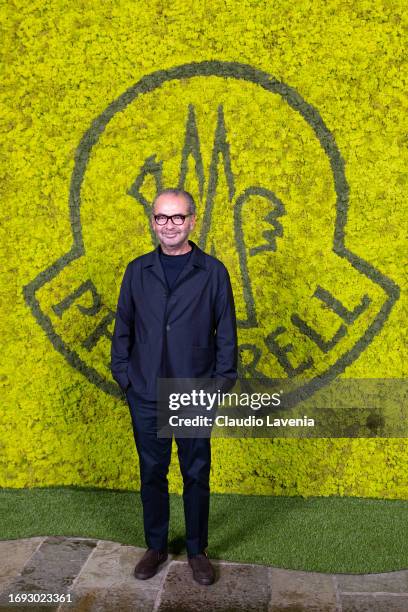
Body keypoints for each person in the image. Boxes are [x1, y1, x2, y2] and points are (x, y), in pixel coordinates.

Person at [110, 188, 238, 585]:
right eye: (162, 218)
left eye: (177, 217)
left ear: (192, 221)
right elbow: (124, 327)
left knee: (196, 473)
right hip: (145, 390)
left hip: (193, 389)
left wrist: (219, 383)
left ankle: (197, 550)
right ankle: (156, 546)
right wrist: (124, 376)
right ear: (152, 222)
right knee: (152, 472)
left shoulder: (213, 271)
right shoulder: (137, 270)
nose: (169, 225)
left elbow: (227, 333)